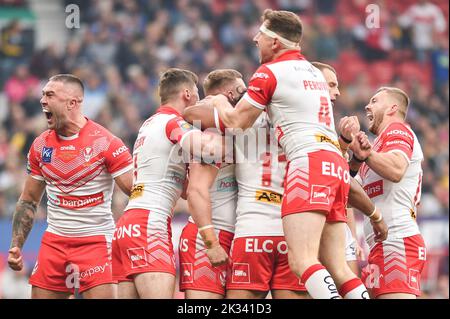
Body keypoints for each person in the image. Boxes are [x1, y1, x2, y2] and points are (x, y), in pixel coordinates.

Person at [207, 9, 386, 298]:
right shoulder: (314, 72)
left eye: (261, 35)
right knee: (339, 268)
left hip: (308, 164)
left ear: (275, 43)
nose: (255, 39)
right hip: (334, 165)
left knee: (302, 260)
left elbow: (237, 122)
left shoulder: (269, 72)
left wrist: (218, 101)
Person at [7, 74, 134, 299]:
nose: (42, 101)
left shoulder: (106, 142)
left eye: (50, 95)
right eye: (42, 95)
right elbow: (28, 199)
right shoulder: (40, 145)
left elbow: (135, 192)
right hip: (54, 242)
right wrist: (17, 245)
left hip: (96, 242)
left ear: (72, 102)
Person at [112, 68, 224, 299]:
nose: (198, 101)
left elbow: (182, 190)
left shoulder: (148, 124)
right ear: (186, 94)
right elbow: (206, 148)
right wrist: (228, 132)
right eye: (197, 95)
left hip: (127, 224)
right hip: (150, 223)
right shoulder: (173, 122)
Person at [349, 87, 427, 299]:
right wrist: (353, 158)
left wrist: (367, 155)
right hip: (383, 243)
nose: (367, 105)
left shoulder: (398, 131)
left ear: (392, 108)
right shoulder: (377, 148)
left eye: (375, 101)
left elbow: (395, 170)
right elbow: (347, 190)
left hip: (398, 240)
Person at [179, 69, 244, 299]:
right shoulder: (211, 128)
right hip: (210, 234)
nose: (247, 96)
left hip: (238, 234)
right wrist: (211, 242)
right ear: (229, 92)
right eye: (241, 90)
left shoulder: (235, 127)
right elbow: (195, 189)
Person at [311, 61, 364, 276]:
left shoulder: (330, 132)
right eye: (331, 85)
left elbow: (342, 193)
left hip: (336, 227)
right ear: (313, 84)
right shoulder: (295, 126)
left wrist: (351, 236)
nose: (338, 92)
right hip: (305, 226)